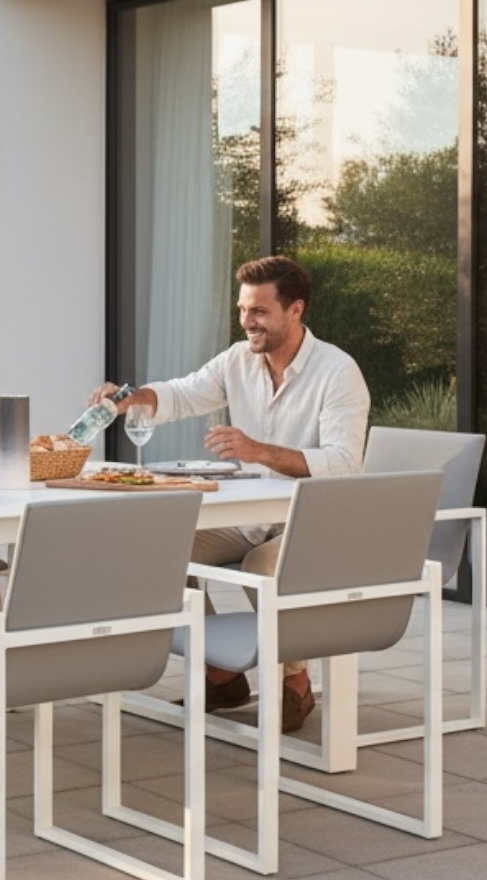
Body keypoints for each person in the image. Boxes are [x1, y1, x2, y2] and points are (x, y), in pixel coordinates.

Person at [89, 254, 368, 733]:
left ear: (295, 310)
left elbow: (343, 464)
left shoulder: (337, 371)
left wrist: (257, 450)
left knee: (265, 564)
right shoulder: (239, 360)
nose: (247, 322)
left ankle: (294, 681)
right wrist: (132, 400)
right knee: (156, 547)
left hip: (310, 518)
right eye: (242, 310)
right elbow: (181, 393)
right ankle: (222, 674)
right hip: (247, 515)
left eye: (259, 311)